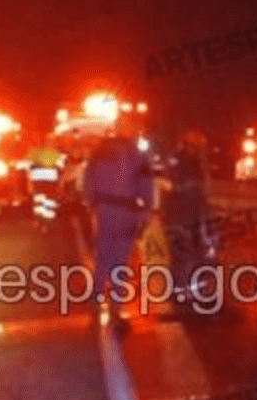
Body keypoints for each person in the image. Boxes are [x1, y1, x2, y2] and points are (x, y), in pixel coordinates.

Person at [83, 123, 154, 330]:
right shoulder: (136, 154)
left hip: (104, 211)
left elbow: (88, 179)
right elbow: (146, 186)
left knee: (103, 258)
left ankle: (96, 301)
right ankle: (115, 308)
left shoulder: (99, 151)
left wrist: (92, 205)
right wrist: (146, 211)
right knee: (120, 261)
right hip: (125, 213)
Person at [164, 128, 213, 306]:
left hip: (192, 215)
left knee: (197, 253)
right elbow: (173, 184)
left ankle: (194, 288)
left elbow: (203, 190)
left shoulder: (196, 160)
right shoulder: (179, 158)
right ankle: (179, 289)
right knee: (182, 253)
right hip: (181, 215)